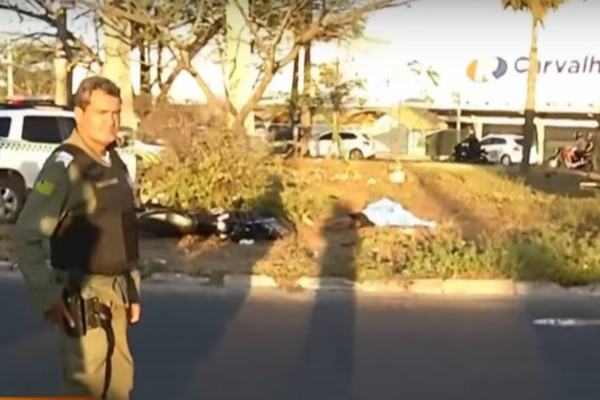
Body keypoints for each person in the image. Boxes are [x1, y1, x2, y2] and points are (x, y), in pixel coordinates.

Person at [14, 76, 141, 400]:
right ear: (79, 114)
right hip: (83, 293)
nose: (111, 121)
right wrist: (48, 295)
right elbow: (27, 235)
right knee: (86, 387)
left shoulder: (114, 161)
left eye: (116, 113)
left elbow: (123, 229)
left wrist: (132, 289)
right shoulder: (64, 167)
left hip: (116, 291)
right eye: (101, 113)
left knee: (119, 385)